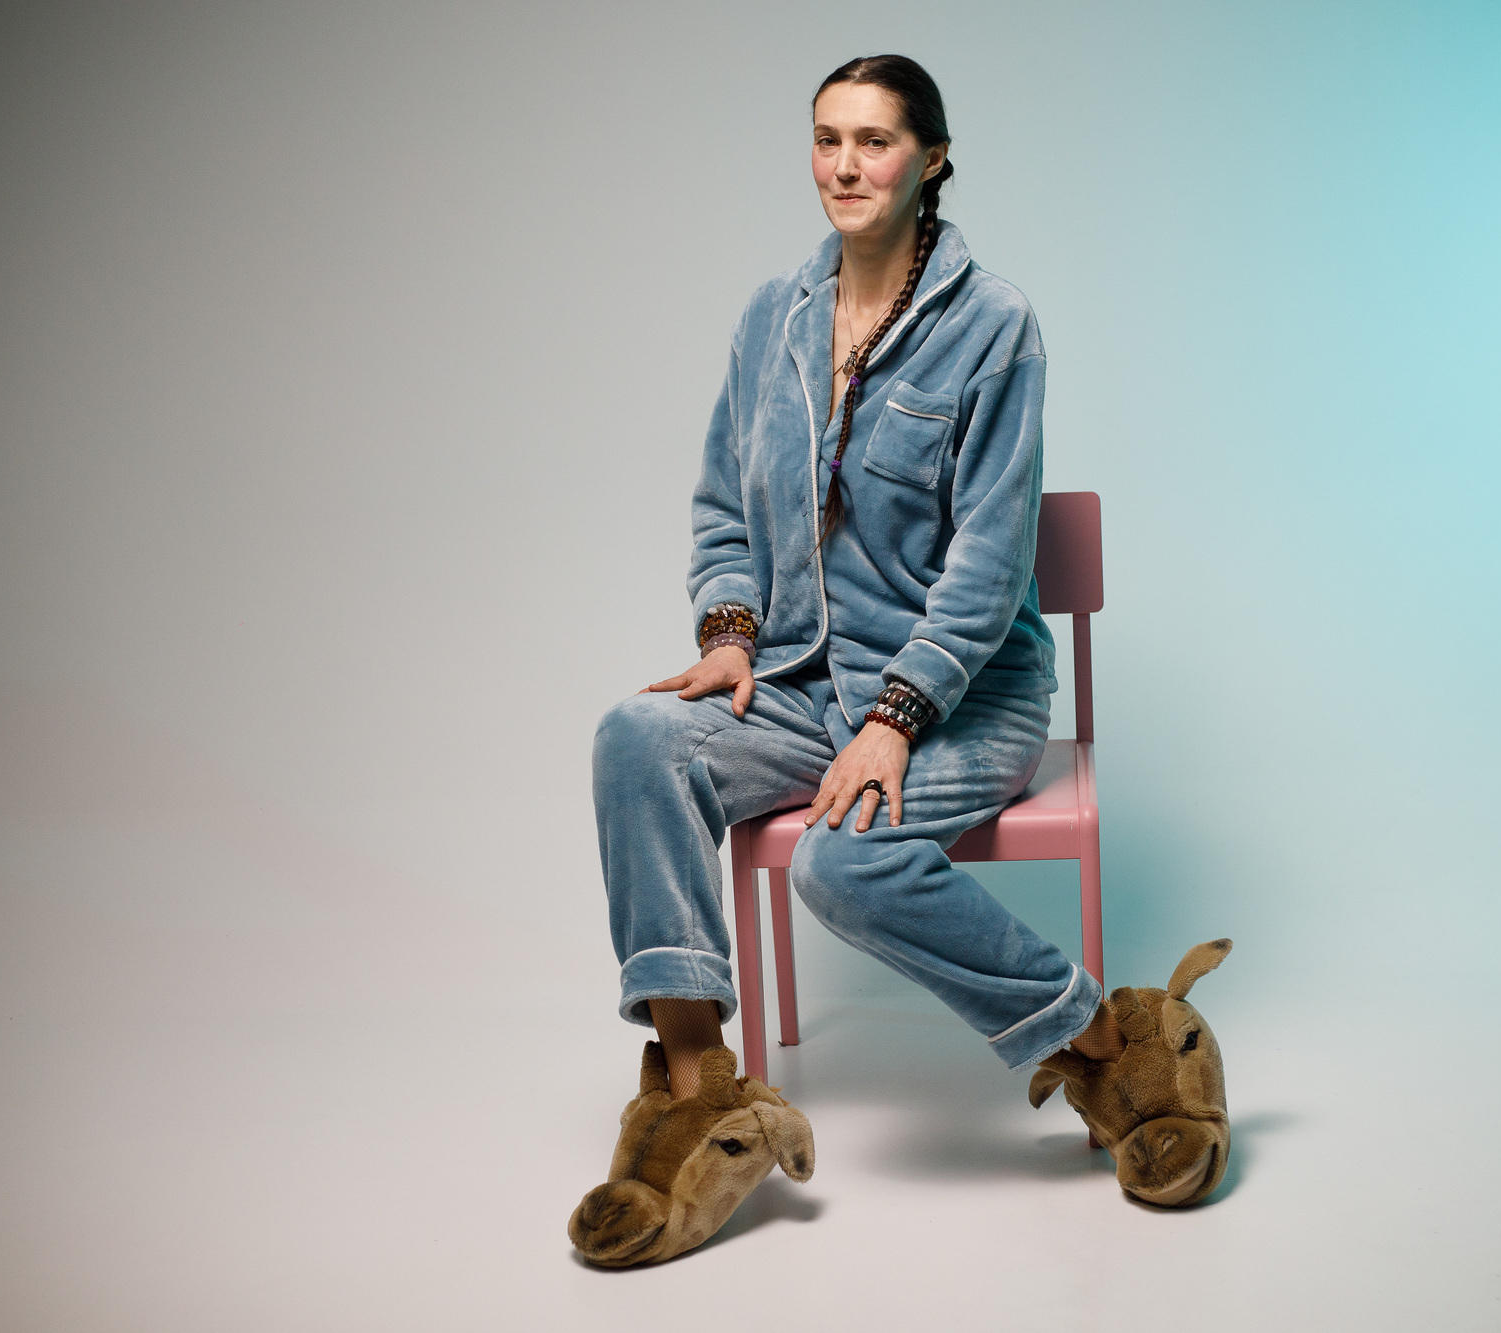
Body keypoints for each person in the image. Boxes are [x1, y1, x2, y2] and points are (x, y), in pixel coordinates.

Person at [573, 55, 1141, 1264]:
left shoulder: (993, 326)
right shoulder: (771, 319)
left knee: (839, 864)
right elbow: (722, 507)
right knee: (637, 737)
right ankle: (701, 1092)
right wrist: (731, 636)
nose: (844, 165)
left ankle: (1105, 1045)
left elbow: (989, 562)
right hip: (795, 682)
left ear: (931, 159)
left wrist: (895, 716)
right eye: (826, 139)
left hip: (960, 699)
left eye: (873, 141)